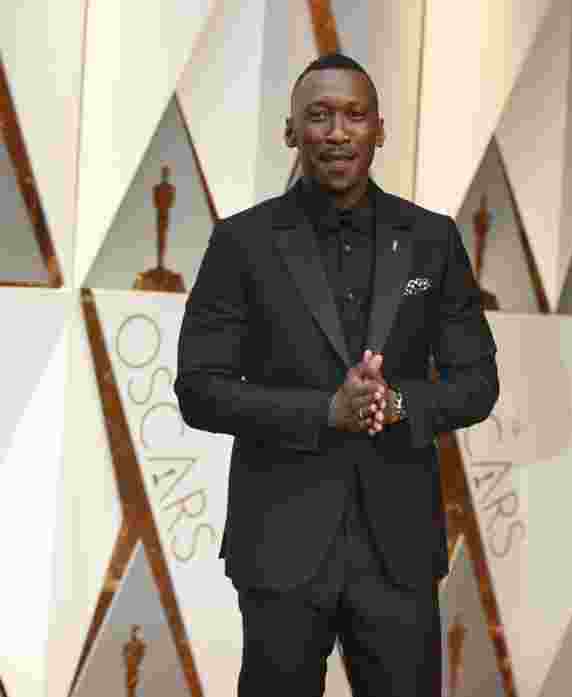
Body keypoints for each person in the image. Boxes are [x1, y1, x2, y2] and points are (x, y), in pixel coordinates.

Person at [175, 52, 499, 696]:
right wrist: (325, 412)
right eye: (318, 116)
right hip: (281, 544)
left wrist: (397, 403)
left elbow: (476, 382)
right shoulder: (242, 242)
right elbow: (200, 389)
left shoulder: (432, 241)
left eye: (355, 115)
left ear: (380, 129)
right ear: (291, 131)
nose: (337, 131)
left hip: (398, 548)